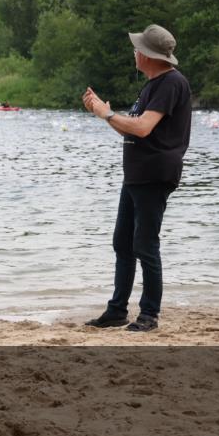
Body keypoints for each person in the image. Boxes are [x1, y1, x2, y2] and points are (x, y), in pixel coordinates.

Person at [82, 24, 192, 332]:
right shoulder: (152, 84)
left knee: (145, 244)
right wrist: (102, 112)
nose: (134, 52)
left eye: (138, 48)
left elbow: (143, 127)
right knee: (123, 243)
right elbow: (132, 126)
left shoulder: (171, 83)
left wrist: (107, 114)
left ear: (148, 55)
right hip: (137, 175)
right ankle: (117, 310)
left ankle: (149, 315)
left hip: (155, 175)